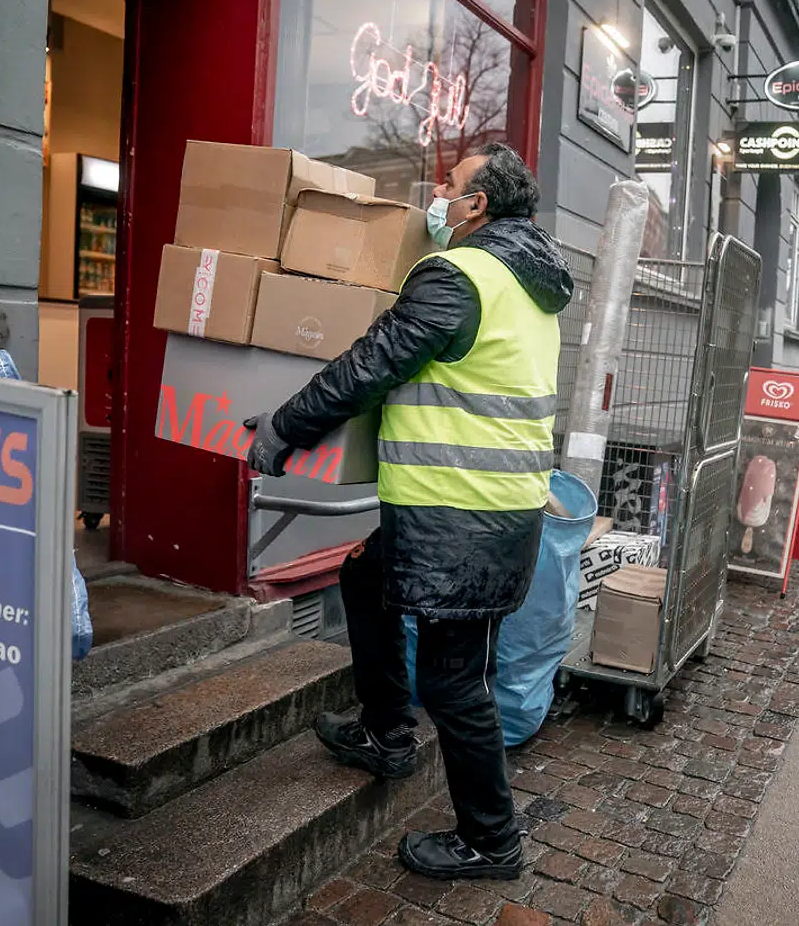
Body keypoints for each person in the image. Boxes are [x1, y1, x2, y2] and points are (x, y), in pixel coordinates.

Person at [243, 143, 572, 881]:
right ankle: (387, 731)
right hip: (487, 509)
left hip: (459, 514)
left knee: (456, 680)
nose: (439, 196)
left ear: (478, 205)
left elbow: (371, 363)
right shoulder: (530, 282)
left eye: (450, 186)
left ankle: (493, 840)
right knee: (364, 575)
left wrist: (283, 430)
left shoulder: (461, 275)